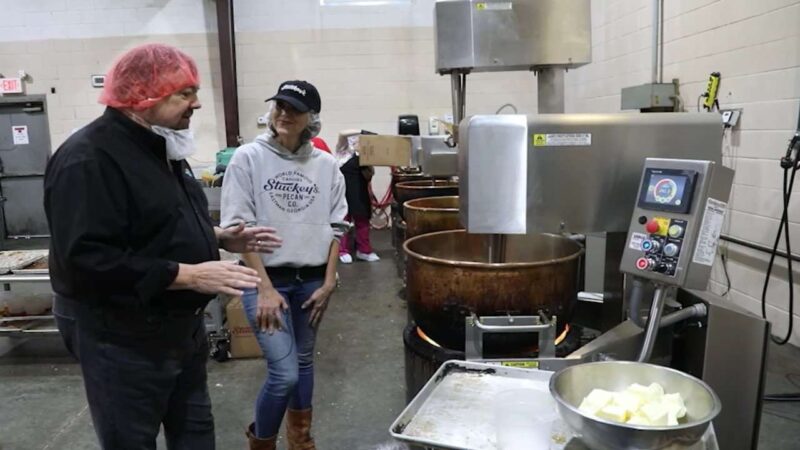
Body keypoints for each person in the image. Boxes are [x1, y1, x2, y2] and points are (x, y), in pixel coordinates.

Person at [43, 44, 281, 450]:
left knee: (195, 434)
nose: (197, 103)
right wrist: (188, 274)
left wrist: (218, 237)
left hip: (177, 328)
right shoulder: (89, 159)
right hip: (120, 334)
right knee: (131, 439)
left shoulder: (159, 145)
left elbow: (157, 219)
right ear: (141, 95)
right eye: (184, 93)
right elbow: (85, 261)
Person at [221, 80, 347, 450]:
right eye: (279, 105)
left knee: (303, 363)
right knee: (284, 373)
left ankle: (301, 441)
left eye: (294, 108)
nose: (284, 113)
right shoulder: (249, 158)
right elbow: (237, 228)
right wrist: (264, 287)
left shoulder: (326, 166)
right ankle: (262, 443)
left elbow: (337, 227)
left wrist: (328, 283)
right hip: (265, 279)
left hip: (310, 282)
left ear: (311, 118)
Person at [335, 130, 380, 263]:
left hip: (359, 193)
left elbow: (368, 177)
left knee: (363, 221)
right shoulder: (343, 152)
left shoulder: (365, 157)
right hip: (342, 193)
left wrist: (368, 166)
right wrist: (363, 132)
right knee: (343, 222)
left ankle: (364, 251)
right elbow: (342, 134)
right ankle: (342, 251)